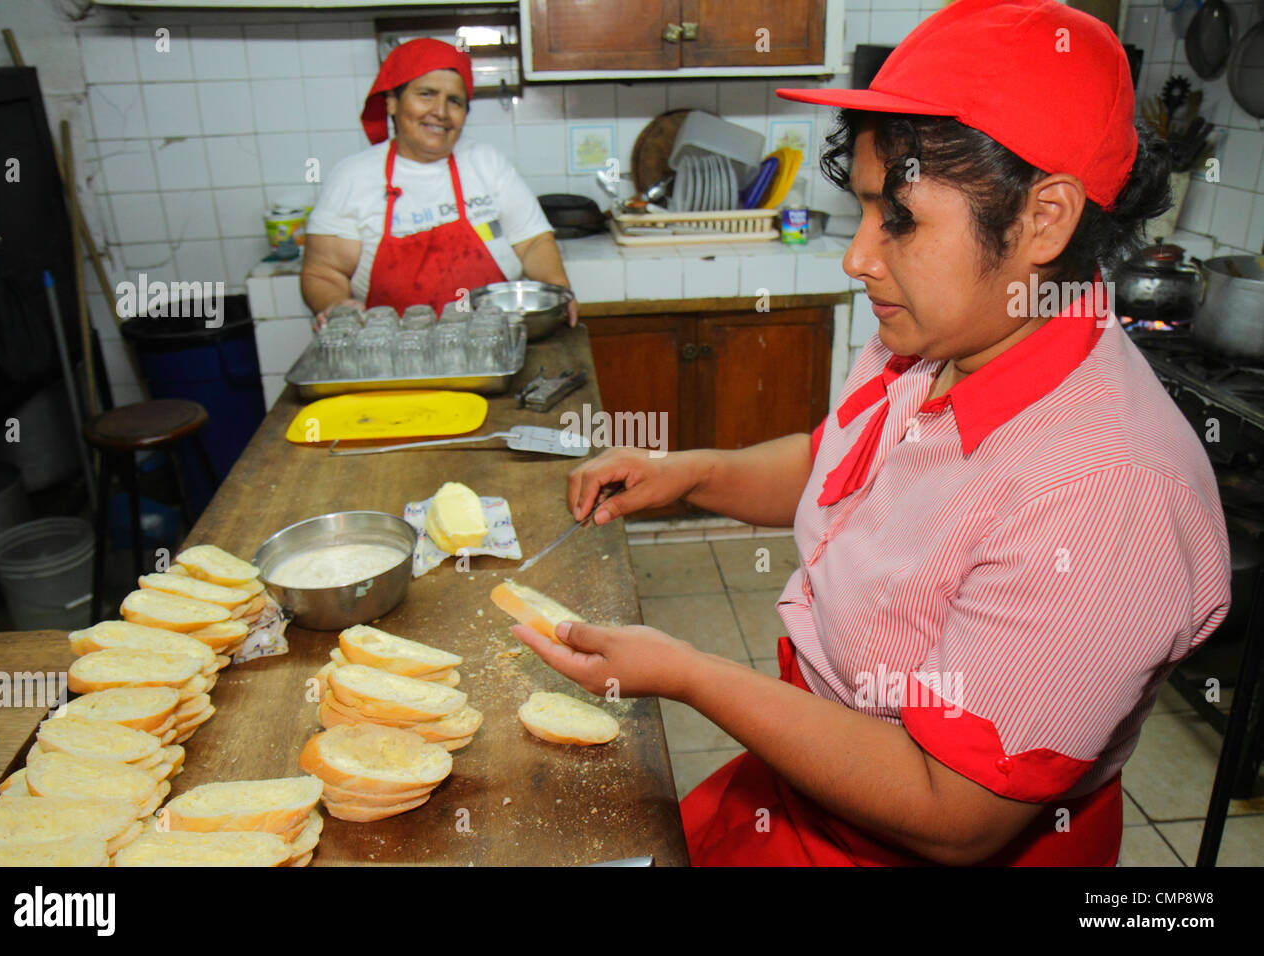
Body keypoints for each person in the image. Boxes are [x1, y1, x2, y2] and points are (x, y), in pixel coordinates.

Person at [510, 0, 1231, 866]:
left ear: (1045, 218)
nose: (857, 258)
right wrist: (690, 473)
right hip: (813, 780)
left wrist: (690, 674)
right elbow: (839, 468)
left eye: (899, 219)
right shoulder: (940, 337)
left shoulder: (1106, 492)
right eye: (860, 211)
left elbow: (954, 811)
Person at [301, 38, 577, 328]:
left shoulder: (486, 163)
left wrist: (558, 290)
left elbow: (532, 242)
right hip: (396, 346)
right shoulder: (353, 177)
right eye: (426, 94)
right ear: (392, 102)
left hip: (495, 337)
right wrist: (335, 305)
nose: (441, 112)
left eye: (454, 101)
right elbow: (323, 273)